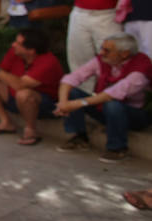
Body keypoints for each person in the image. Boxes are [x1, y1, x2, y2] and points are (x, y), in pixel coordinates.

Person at [54, 33, 151, 162]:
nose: (102, 53)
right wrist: (63, 102)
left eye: (107, 50)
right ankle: (79, 138)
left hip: (133, 115)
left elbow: (112, 94)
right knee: (73, 93)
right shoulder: (103, 60)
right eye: (102, 48)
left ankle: (118, 148)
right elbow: (72, 78)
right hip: (105, 108)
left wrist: (77, 104)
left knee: (112, 104)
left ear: (124, 54)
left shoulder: (141, 69)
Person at [0, 28, 63, 145]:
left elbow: (20, 85)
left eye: (18, 43)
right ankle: (5, 122)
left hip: (46, 105)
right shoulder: (15, 53)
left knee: (24, 94)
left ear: (31, 51)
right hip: (15, 96)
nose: (13, 44)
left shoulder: (48, 62)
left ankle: (30, 130)